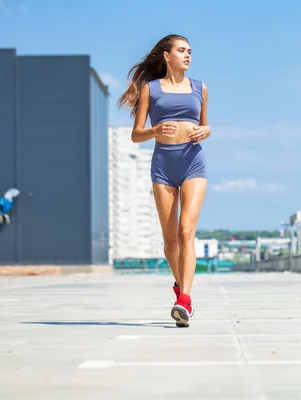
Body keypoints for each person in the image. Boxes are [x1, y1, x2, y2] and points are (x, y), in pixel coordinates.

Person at [117, 34, 210, 328]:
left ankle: (184, 300)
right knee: (170, 241)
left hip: (193, 161)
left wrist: (206, 131)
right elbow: (136, 134)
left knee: (186, 232)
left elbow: (205, 124)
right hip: (163, 165)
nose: (188, 56)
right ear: (167, 56)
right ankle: (180, 286)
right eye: (181, 51)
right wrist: (154, 129)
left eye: (190, 52)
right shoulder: (150, 89)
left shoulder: (200, 88)